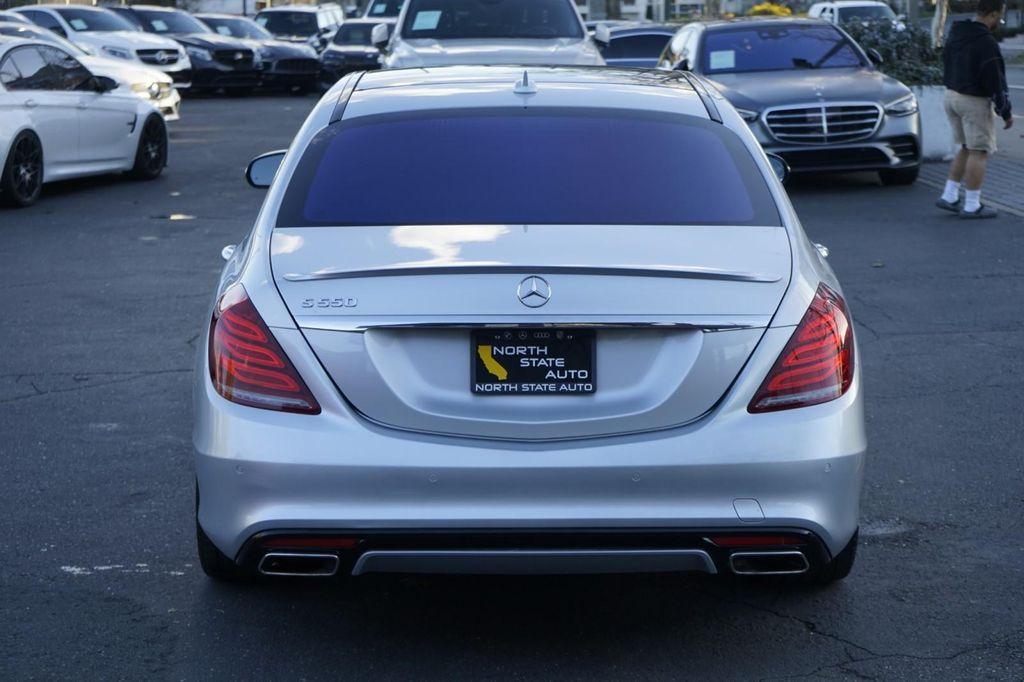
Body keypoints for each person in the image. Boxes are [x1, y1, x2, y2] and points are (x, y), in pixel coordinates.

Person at [936, 0, 1013, 219]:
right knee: (979, 152)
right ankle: (972, 205)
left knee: (966, 148)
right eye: (1000, 17)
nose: (999, 21)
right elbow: (995, 80)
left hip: (951, 96)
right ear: (993, 14)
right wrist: (1005, 112)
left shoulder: (957, 33)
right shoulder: (985, 41)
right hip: (973, 101)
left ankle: (949, 195)